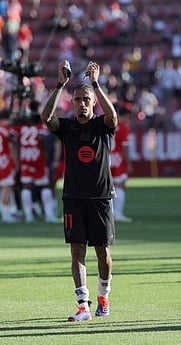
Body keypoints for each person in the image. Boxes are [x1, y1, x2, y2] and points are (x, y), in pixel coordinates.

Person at [40, 60, 118, 322]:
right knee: (77, 252)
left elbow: (113, 117)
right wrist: (61, 84)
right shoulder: (68, 128)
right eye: (77, 100)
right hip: (73, 196)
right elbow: (46, 118)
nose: (81, 103)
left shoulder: (101, 127)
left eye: (86, 99)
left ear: (93, 102)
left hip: (101, 197)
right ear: (71, 103)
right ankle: (83, 304)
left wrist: (96, 83)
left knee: (103, 254)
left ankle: (104, 296)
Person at [111, 105, 133, 223]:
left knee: (108, 187)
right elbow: (125, 148)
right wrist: (128, 163)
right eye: (128, 118)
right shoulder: (123, 128)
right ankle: (118, 214)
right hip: (118, 159)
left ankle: (111, 213)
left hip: (107, 159)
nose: (128, 121)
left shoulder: (108, 123)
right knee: (120, 185)